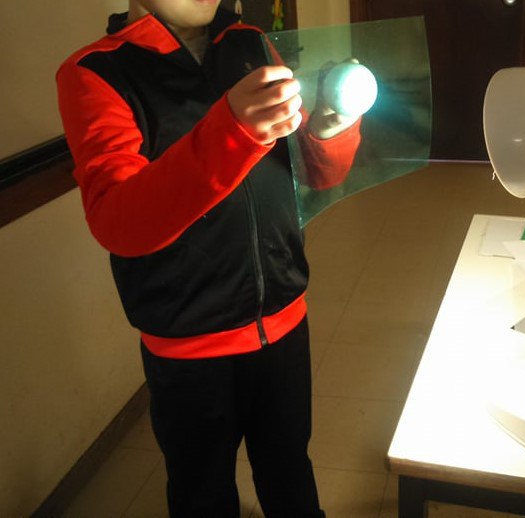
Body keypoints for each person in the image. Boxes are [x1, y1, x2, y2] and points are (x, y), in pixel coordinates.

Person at [56, 1, 362, 516]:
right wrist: (232, 131)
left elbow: (315, 173)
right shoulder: (96, 72)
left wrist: (331, 129)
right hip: (189, 345)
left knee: (290, 469)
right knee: (202, 493)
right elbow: (118, 222)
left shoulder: (252, 44)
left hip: (284, 322)